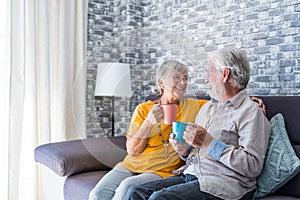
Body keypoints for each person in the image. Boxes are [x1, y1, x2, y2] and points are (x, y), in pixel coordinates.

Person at [124, 47, 271, 200]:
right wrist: (184, 151)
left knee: (159, 199)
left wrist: (209, 142)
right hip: (191, 174)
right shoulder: (207, 107)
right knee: (135, 192)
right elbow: (194, 151)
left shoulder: (251, 111)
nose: (206, 79)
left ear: (225, 75)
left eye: (210, 73)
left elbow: (252, 166)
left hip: (224, 183)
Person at [88, 60, 208, 200]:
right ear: (161, 83)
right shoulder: (143, 109)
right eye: (177, 78)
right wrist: (148, 122)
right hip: (131, 165)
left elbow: (220, 103)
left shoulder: (195, 106)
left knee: (126, 186)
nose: (183, 82)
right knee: (97, 193)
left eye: (186, 78)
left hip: (162, 170)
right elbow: (132, 151)